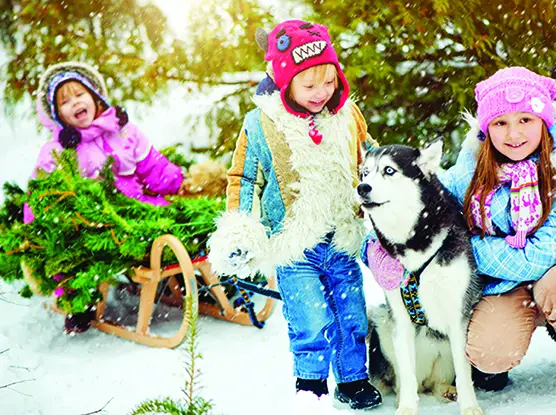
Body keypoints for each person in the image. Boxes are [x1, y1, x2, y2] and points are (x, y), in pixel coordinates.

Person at [367, 66, 556, 391]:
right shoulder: (471, 169)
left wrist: (463, 252)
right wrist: (377, 247)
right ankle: (495, 359)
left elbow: (548, 251)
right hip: (501, 284)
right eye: (501, 123)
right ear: (487, 129)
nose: (513, 135)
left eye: (525, 120)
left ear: (544, 123)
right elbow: (423, 204)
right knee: (487, 353)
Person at [207, 20, 382, 411]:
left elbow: (370, 155)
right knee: (310, 318)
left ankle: (353, 380)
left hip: (341, 238)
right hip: (295, 244)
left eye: (329, 82)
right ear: (285, 83)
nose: (322, 93)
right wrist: (240, 230)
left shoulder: (347, 118)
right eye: (309, 85)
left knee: (350, 314)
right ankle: (312, 385)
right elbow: (245, 177)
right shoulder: (262, 123)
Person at [27, 61, 184, 333]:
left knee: (174, 221)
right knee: (68, 245)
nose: (75, 103)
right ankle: (78, 301)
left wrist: (175, 181)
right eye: (65, 101)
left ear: (95, 96)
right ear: (57, 114)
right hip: (92, 224)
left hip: (135, 209)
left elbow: (151, 164)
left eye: (79, 94)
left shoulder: (123, 130)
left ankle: (186, 278)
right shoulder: (57, 150)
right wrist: (37, 228)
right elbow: (41, 192)